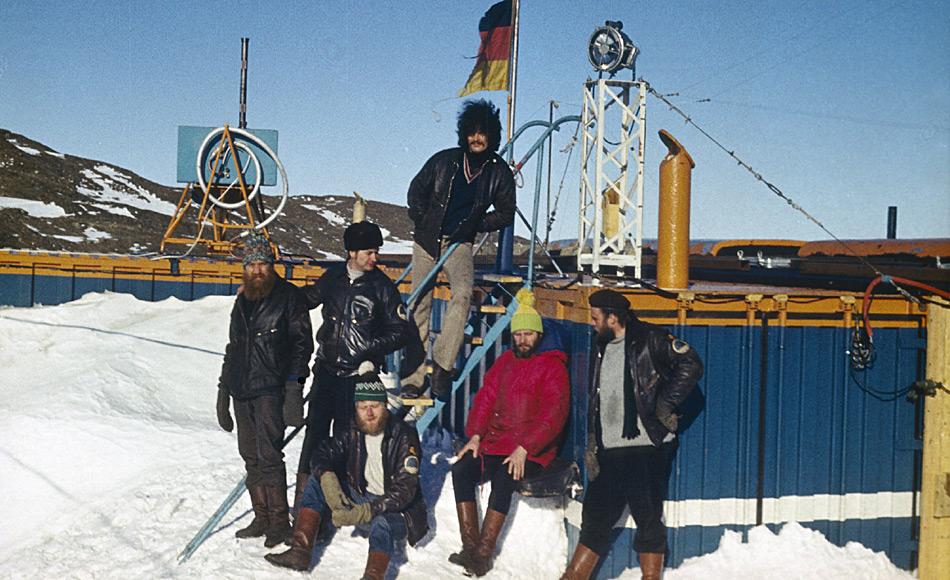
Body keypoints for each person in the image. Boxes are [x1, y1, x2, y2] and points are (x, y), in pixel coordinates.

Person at [561, 290, 703, 580]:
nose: (592, 324)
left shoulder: (651, 339)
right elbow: (599, 399)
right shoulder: (601, 345)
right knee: (595, 517)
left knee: (648, 517)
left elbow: (691, 363)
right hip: (610, 448)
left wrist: (665, 405)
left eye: (596, 318)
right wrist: (594, 441)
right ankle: (573, 576)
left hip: (646, 447)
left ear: (613, 318)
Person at [293, 221, 412, 514]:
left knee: (345, 441)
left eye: (376, 252)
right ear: (352, 252)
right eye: (369, 252)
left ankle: (338, 504)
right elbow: (306, 299)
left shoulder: (382, 287)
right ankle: (305, 509)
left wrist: (368, 348)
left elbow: (401, 331)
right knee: (314, 437)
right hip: (326, 372)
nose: (375, 258)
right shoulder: (333, 278)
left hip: (357, 378)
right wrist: (276, 291)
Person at [451, 288, 571, 577]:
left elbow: (553, 415)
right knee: (462, 469)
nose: (522, 340)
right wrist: (475, 435)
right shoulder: (505, 361)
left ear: (539, 335)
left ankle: (483, 554)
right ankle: (469, 547)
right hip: (495, 443)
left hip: (532, 450)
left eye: (528, 334)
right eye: (518, 334)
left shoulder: (553, 367)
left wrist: (525, 447)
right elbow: (485, 399)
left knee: (506, 478)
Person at [403, 99, 516, 400]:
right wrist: (423, 219)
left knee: (463, 294)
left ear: (491, 136)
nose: (476, 138)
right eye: (471, 132)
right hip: (427, 241)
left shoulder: (498, 172)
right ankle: (413, 377)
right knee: (419, 304)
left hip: (459, 243)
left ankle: (442, 365)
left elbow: (506, 212)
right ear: (464, 134)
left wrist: (477, 224)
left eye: (483, 133)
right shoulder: (444, 161)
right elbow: (416, 191)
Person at [265, 374, 428, 579]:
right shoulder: (353, 428)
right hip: (363, 497)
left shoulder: (404, 436)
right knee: (316, 481)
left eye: (375, 406)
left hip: (395, 509)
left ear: (385, 406)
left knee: (383, 523)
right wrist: (328, 477)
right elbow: (323, 452)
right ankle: (300, 551)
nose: (369, 413)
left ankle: (372, 576)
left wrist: (367, 511)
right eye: (362, 407)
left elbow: (404, 490)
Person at [216, 231, 314, 548]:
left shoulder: (289, 297)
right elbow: (233, 347)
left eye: (262, 263)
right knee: (249, 456)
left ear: (272, 265)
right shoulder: (242, 300)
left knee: (270, 456)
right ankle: (261, 517)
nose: (257, 269)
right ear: (245, 267)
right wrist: (223, 390)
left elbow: (302, 346)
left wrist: (294, 387)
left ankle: (279, 522)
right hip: (241, 389)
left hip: (271, 388)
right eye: (252, 264)